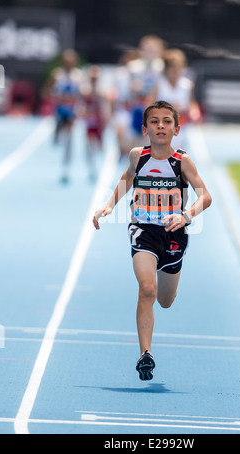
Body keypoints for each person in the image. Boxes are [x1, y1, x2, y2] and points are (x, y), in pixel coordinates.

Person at [93, 101, 212, 381]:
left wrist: (186, 215)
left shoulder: (182, 162)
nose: (161, 126)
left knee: (166, 300)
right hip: (143, 230)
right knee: (147, 288)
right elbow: (127, 177)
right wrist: (109, 206)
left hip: (173, 234)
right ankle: (146, 353)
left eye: (167, 121)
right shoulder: (138, 156)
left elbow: (205, 196)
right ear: (145, 129)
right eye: (155, 122)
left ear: (176, 128)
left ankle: (166, 277)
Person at [151, 49, 202, 149]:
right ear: (166, 69)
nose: (176, 72)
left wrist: (195, 112)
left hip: (181, 126)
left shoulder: (187, 85)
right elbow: (149, 106)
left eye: (178, 68)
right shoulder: (160, 85)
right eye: (172, 69)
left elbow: (191, 103)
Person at [44, 49, 82, 183]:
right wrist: (54, 97)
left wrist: (78, 102)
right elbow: (46, 89)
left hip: (71, 111)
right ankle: (56, 133)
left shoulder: (78, 76)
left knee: (68, 138)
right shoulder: (57, 75)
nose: (68, 64)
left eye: (71, 61)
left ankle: (66, 166)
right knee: (58, 138)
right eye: (66, 61)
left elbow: (82, 93)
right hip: (60, 110)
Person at [80, 65, 108, 181]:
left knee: (100, 147)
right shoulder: (85, 88)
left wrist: (106, 119)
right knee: (88, 146)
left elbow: (105, 103)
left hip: (99, 121)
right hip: (89, 122)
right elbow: (81, 102)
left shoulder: (102, 89)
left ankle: (102, 169)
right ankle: (92, 168)